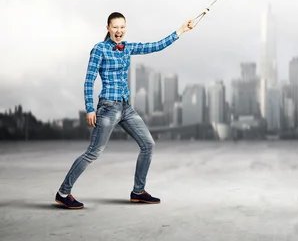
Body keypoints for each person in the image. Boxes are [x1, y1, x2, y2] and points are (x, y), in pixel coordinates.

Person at [54, 11, 200, 209]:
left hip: (126, 107)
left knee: (148, 144)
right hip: (108, 107)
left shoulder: (127, 47)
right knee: (93, 152)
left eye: (122, 27)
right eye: (115, 27)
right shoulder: (99, 49)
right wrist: (90, 108)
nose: (119, 31)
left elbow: (155, 46)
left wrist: (181, 30)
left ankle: (138, 192)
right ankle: (63, 192)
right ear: (107, 28)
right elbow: (89, 80)